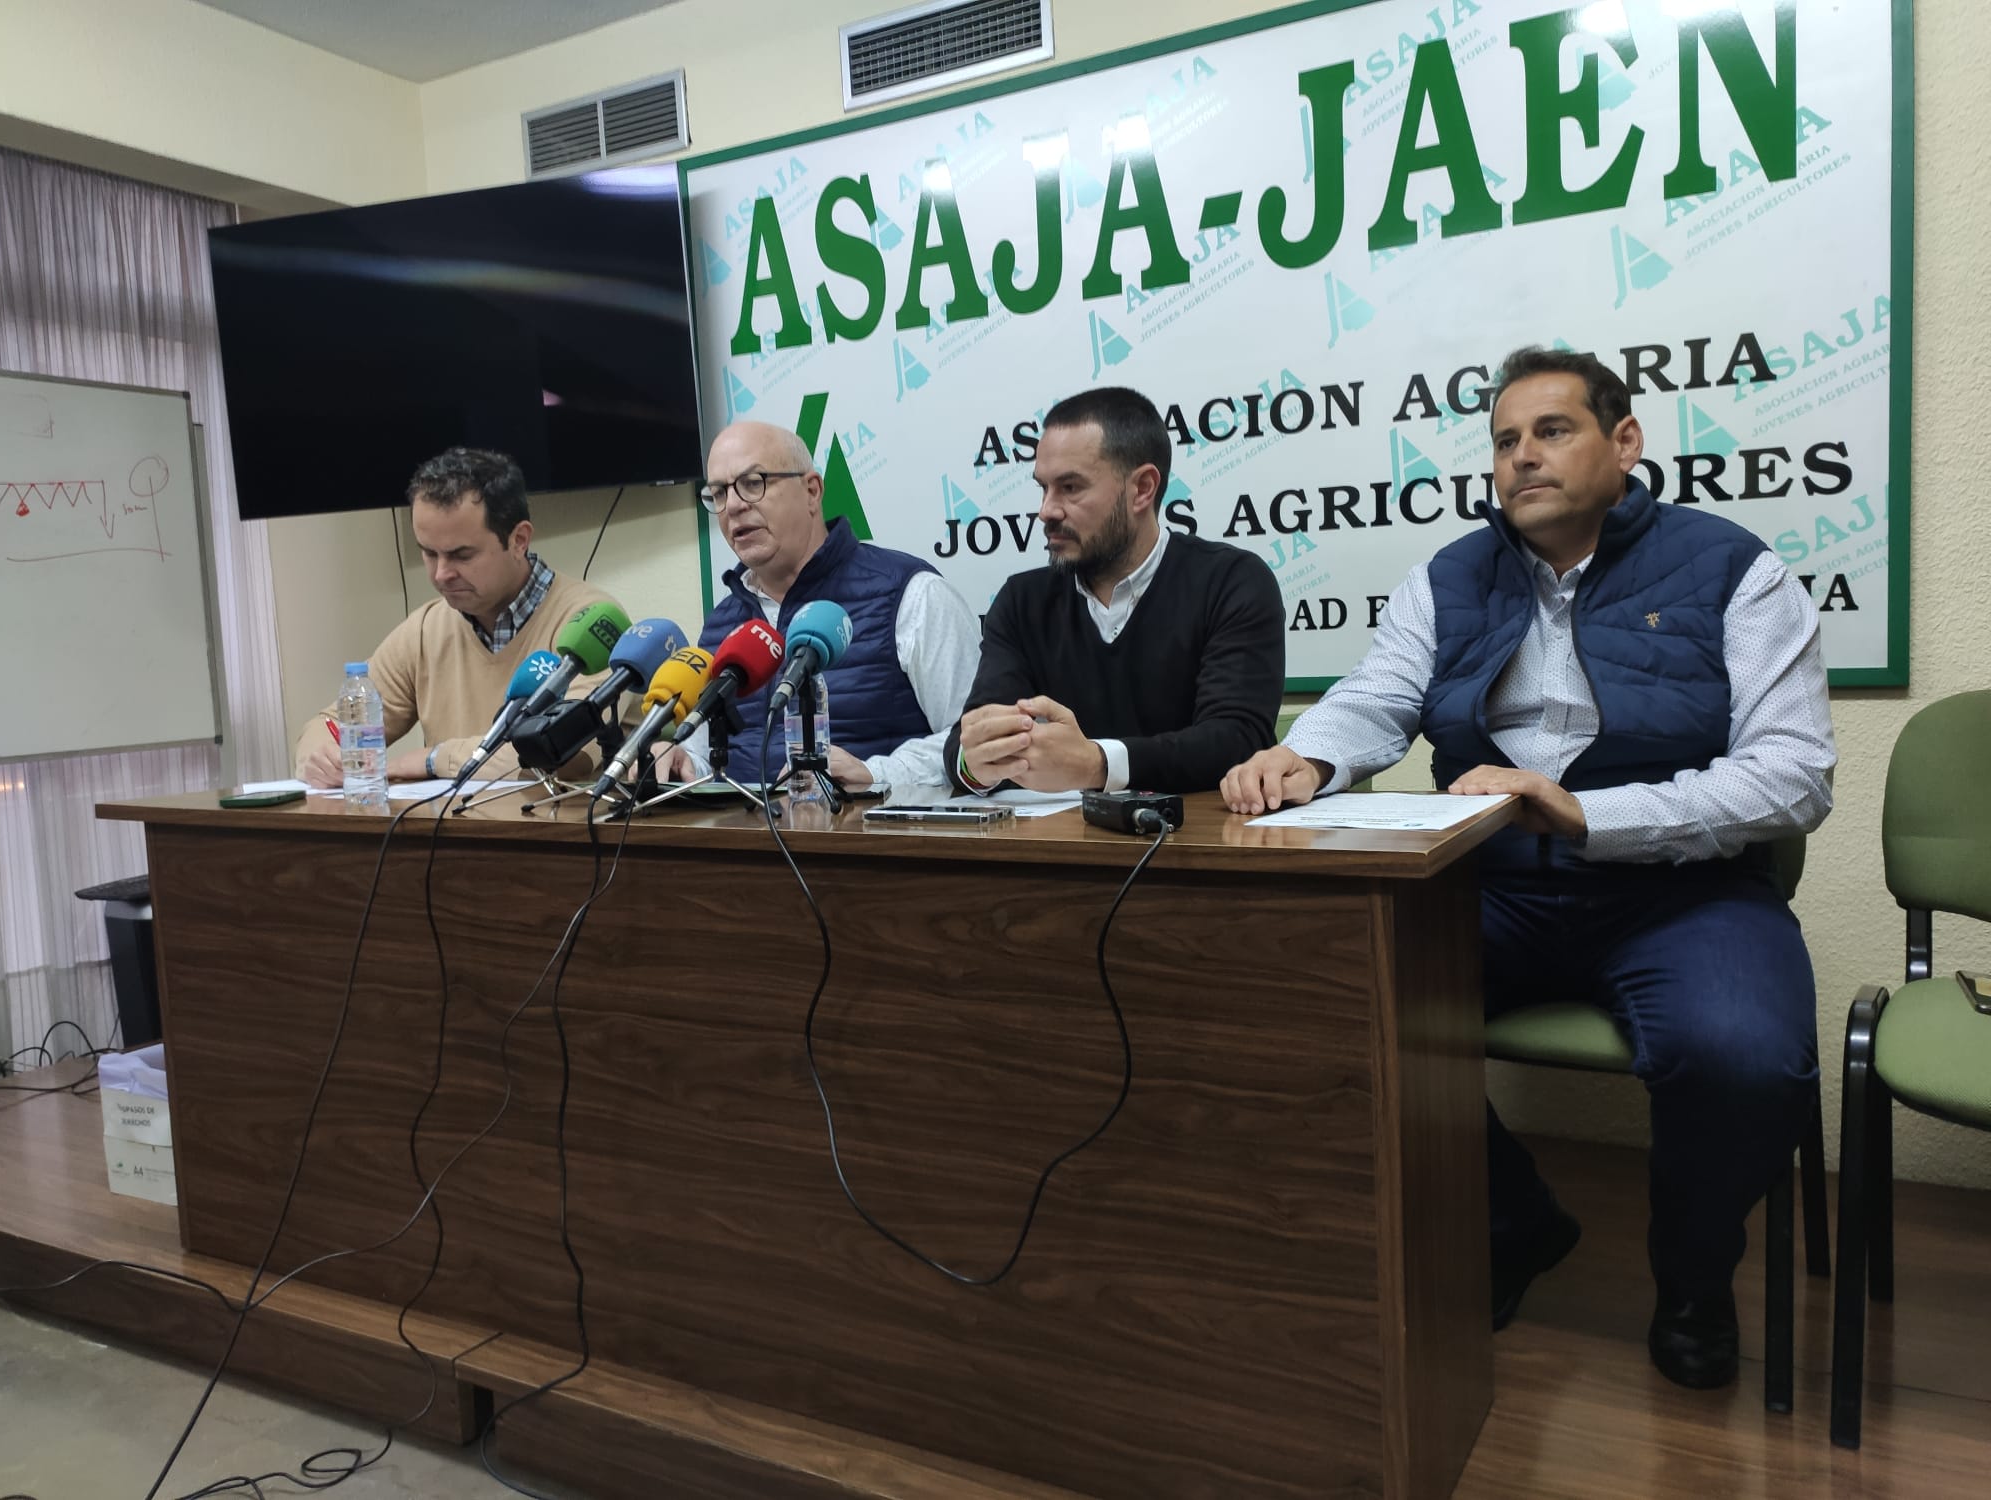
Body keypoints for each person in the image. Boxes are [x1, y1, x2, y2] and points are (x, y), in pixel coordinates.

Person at [1220, 347, 1835, 1390]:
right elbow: (1379, 694)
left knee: (1740, 1056)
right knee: (1324, 1000)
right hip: (1490, 881)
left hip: (1675, 893)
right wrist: (1308, 754)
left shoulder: (1733, 568)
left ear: (1624, 442)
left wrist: (1588, 812)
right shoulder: (1449, 575)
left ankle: (1691, 1281)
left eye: (1550, 431)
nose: (1520, 459)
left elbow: (1791, 777)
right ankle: (1513, 1224)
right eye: (1504, 440)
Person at [948, 386, 1283, 795]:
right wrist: (978, 763)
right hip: (1055, 848)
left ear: (1142, 488)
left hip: (1194, 848)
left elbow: (1237, 741)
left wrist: (1098, 764)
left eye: (1070, 487)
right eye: (1044, 488)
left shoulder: (1231, 581)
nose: (1047, 511)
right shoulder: (1022, 602)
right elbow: (965, 742)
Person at [658, 420, 979, 790]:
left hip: (870, 836)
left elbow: (974, 738)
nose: (732, 506)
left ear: (811, 491)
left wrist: (877, 775)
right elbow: (711, 754)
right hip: (744, 838)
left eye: (753, 483)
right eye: (717, 493)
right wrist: (684, 761)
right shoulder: (721, 623)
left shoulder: (912, 594)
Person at [293, 447, 622, 786]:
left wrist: (435, 759)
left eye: (461, 555)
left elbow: (565, 750)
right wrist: (321, 754)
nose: (440, 574)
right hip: (447, 834)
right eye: (429, 553)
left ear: (519, 540)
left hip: (553, 835)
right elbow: (330, 725)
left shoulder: (589, 624)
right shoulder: (425, 630)